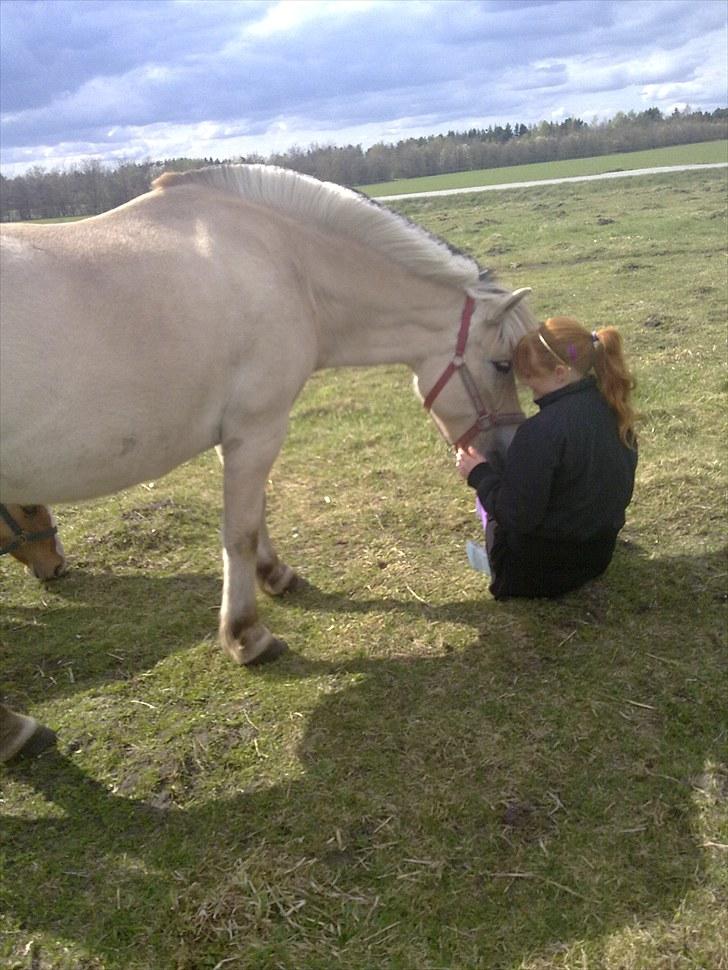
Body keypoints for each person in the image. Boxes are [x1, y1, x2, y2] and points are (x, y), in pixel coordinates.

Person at [456, 316, 638, 599]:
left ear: (561, 373)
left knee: (492, 495)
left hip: (535, 576)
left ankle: (493, 563)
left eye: (532, 380)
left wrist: (479, 474)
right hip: (597, 558)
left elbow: (516, 515)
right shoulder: (615, 409)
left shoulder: (539, 432)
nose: (530, 391)